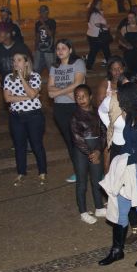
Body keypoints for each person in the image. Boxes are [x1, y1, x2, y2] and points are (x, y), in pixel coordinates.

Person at [98, 82, 137, 267]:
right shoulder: (132, 114)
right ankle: (117, 250)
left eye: (122, 100)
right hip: (129, 166)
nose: (120, 104)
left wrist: (125, 161)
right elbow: (128, 143)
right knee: (120, 207)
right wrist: (120, 160)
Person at [3, 51, 47, 187]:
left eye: (19, 60)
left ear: (26, 62)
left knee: (36, 145)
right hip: (16, 116)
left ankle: (42, 172)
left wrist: (22, 78)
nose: (15, 63)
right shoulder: (9, 78)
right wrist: (28, 97)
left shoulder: (35, 76)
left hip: (33, 116)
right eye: (14, 60)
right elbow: (7, 98)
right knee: (19, 145)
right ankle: (21, 173)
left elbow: (32, 93)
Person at [48, 39, 86, 183]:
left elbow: (78, 83)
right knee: (70, 141)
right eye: (58, 48)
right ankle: (78, 171)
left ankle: (95, 169)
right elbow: (49, 91)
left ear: (70, 50)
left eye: (63, 48)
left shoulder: (78, 63)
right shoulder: (54, 67)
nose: (60, 51)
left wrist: (58, 91)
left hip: (76, 106)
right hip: (60, 108)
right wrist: (68, 92)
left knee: (82, 140)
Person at [70, 84, 106, 224]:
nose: (81, 99)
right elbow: (77, 139)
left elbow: (103, 132)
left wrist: (98, 150)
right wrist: (91, 153)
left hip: (96, 148)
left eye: (83, 96)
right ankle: (83, 211)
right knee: (82, 182)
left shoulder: (98, 112)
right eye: (77, 97)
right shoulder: (75, 116)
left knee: (97, 180)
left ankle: (99, 207)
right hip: (82, 151)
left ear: (90, 97)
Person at [119, 11, 137, 86]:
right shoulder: (124, 28)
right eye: (129, 17)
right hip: (129, 54)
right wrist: (126, 45)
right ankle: (129, 88)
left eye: (133, 17)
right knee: (129, 72)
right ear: (128, 19)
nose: (131, 19)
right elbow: (120, 41)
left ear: (136, 18)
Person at [85, 0, 111, 70]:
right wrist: (106, 26)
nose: (101, 5)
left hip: (94, 35)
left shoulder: (94, 13)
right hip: (97, 36)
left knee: (101, 51)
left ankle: (89, 66)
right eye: (99, 4)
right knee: (103, 51)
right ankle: (111, 65)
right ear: (95, 5)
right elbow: (97, 24)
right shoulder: (95, 14)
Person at [34, 5, 56, 72]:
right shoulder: (37, 23)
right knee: (36, 68)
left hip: (49, 49)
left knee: (51, 69)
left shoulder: (52, 22)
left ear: (47, 12)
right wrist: (35, 48)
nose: (41, 13)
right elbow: (37, 36)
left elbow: (50, 34)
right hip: (39, 50)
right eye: (40, 11)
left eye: (43, 11)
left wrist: (43, 23)